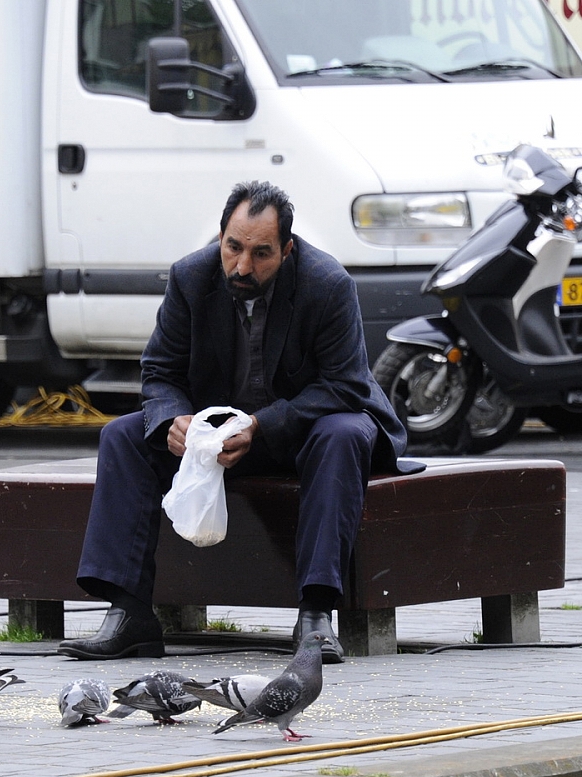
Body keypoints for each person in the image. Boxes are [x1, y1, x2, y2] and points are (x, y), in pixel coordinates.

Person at [58, 180, 419, 665]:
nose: (243, 265)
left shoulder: (327, 283)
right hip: (217, 435)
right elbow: (159, 371)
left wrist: (260, 425)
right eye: (233, 247)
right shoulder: (190, 277)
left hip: (303, 431)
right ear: (222, 235)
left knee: (344, 432)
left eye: (261, 253)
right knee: (122, 435)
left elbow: (345, 386)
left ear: (287, 251)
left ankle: (315, 617)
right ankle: (128, 615)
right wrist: (174, 420)